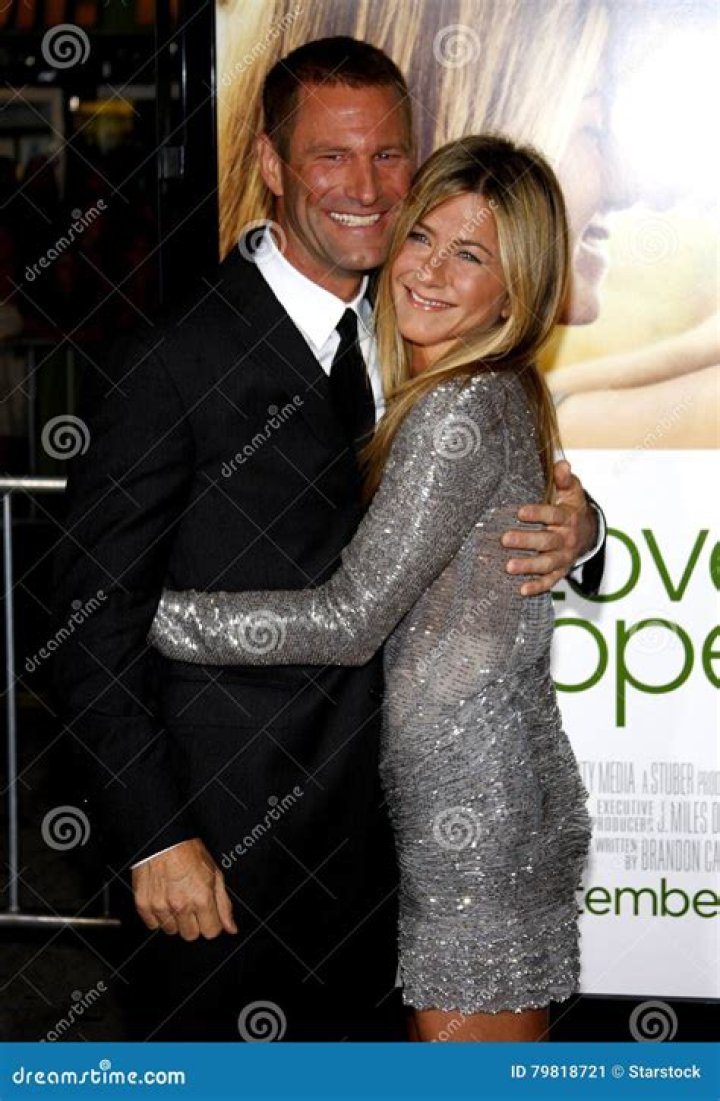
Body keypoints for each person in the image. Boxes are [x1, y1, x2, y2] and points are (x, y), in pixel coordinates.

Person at [51, 38, 602, 1043]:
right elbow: (89, 618)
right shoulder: (173, 357)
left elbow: (496, 494)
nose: (367, 187)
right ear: (271, 163)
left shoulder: (423, 331)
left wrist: (582, 527)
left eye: (388, 156)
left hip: (393, 848)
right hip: (228, 849)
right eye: (331, 157)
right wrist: (153, 835)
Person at [216, 0, 717, 449]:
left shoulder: (407, 340)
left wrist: (576, 515)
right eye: (593, 132)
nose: (632, 190)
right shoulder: (198, 358)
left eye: (385, 156)